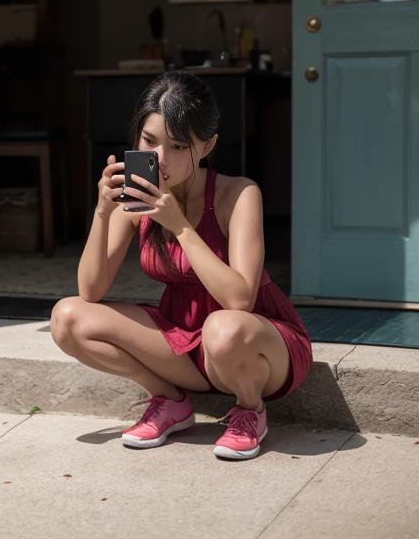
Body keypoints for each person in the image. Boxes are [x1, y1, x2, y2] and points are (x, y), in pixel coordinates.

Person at [50, 71, 312, 460]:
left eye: (177, 146)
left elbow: (240, 299)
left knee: (222, 328)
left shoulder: (238, 194)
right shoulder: (138, 196)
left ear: (207, 146)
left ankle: (250, 409)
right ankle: (170, 399)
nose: (160, 159)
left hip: (255, 344)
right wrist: (103, 211)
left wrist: (181, 226)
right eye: (149, 141)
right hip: (185, 342)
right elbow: (91, 292)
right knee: (67, 317)